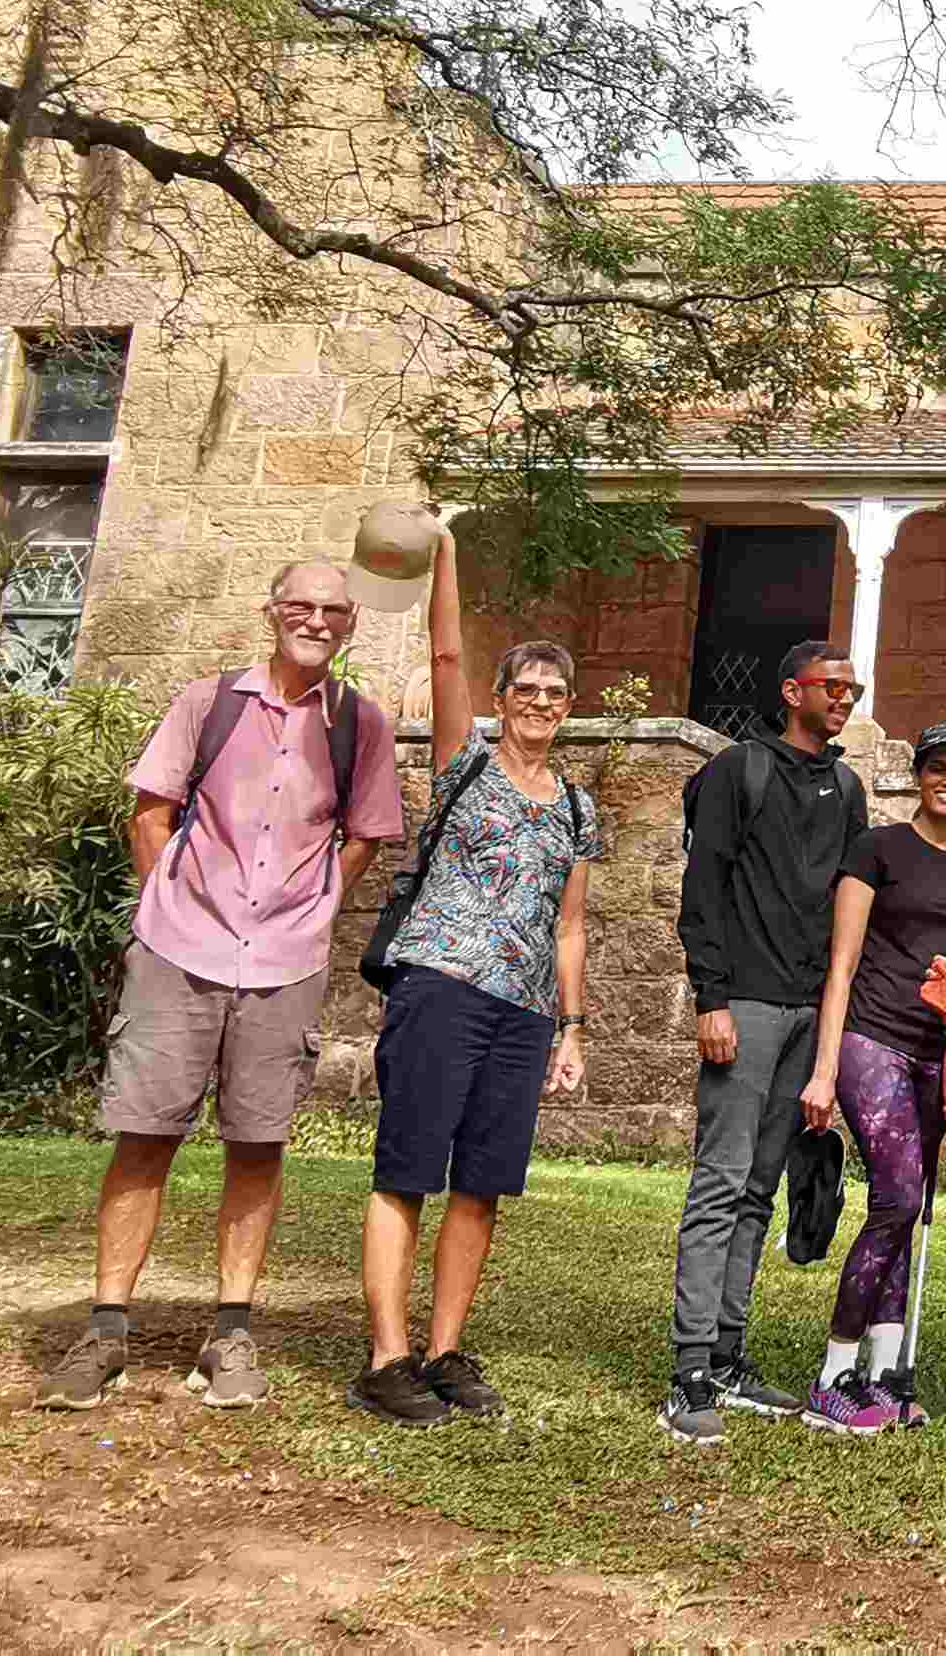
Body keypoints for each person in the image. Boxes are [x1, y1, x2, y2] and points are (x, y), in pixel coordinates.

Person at [39, 559, 405, 1415]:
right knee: (143, 1136)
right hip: (179, 948)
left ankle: (231, 1332)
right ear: (271, 611)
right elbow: (150, 809)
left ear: (350, 624)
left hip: (283, 961)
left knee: (257, 1142)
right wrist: (161, 903)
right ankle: (105, 1330)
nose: (315, 620)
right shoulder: (207, 703)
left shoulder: (361, 724)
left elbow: (364, 835)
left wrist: (315, 911)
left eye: (332, 611)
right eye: (300, 606)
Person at [345, 538, 598, 1426]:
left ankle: (447, 1349)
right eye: (523, 690)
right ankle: (388, 1357)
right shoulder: (468, 764)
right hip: (440, 984)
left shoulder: (575, 804)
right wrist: (450, 548)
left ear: (569, 709)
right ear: (500, 701)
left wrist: (571, 1026)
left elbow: (569, 924)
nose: (537, 703)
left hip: (523, 1011)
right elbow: (445, 651)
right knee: (408, 1167)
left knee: (482, 1183)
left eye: (553, 693)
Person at [662, 636, 870, 1446]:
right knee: (719, 1185)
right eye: (833, 685)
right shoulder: (736, 772)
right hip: (742, 1005)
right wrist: (711, 1000)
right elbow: (701, 890)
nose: (846, 697)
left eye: (854, 687)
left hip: (806, 1012)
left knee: (759, 1190)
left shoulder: (847, 788)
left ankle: (727, 1356)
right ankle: (687, 1375)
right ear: (792, 691)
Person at [793, 717, 946, 1436]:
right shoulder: (877, 848)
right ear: (918, 774)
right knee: (897, 1198)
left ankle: (883, 1376)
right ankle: (832, 1376)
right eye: (937, 767)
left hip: (935, 1050)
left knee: (907, 1205)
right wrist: (822, 1070)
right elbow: (840, 964)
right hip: (870, 1037)